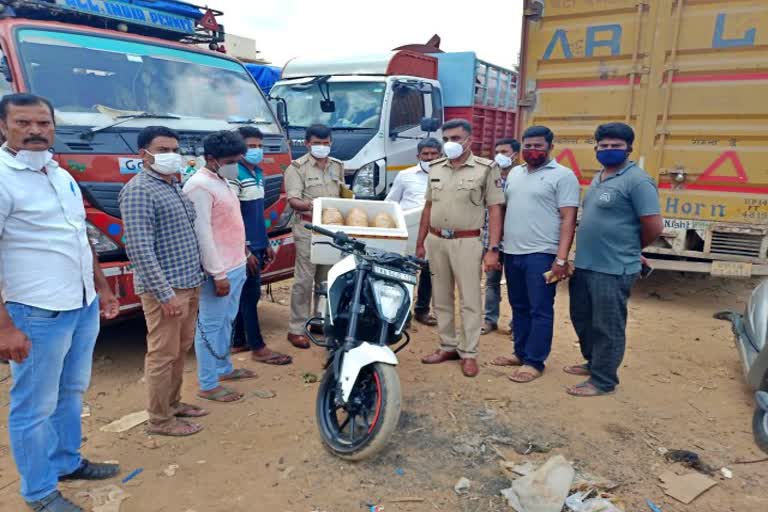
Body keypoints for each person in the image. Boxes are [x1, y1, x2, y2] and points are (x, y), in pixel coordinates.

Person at [0, 93, 120, 512]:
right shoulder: (2, 177)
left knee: (71, 390)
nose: (35, 131)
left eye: (43, 123)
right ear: (4, 127)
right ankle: (39, 492)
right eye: (24, 123)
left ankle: (66, 461)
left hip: (81, 303)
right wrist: (4, 327)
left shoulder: (59, 173)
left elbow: (79, 237)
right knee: (33, 405)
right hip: (36, 312)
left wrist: (102, 288)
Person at [120, 126, 208, 437]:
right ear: (142, 154)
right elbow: (140, 249)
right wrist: (166, 294)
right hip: (167, 290)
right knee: (162, 354)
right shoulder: (139, 190)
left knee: (179, 349)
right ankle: (160, 420)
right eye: (162, 149)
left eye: (174, 149)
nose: (171, 155)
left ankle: (173, 403)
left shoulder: (171, 185)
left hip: (188, 282)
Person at [566, 123, 663, 397]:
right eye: (604, 145)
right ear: (596, 147)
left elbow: (653, 226)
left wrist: (633, 248)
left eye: (616, 146)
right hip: (586, 264)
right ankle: (593, 362)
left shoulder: (638, 181)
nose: (609, 150)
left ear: (629, 148)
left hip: (613, 267)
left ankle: (603, 379)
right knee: (582, 318)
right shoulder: (599, 177)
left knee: (607, 325)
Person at [416, 119, 504, 378]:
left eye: (456, 138)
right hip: (436, 240)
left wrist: (493, 248)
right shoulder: (435, 168)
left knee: (470, 300)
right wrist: (420, 242)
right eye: (446, 139)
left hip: (467, 241)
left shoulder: (486, 169)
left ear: (470, 140)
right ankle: (447, 346)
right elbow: (428, 207)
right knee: (440, 297)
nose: (450, 144)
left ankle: (469, 353)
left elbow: (495, 210)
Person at [493, 126, 580, 384]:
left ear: (550, 147)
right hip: (513, 252)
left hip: (542, 254)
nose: (532, 151)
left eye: (538, 146)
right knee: (518, 306)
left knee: (540, 309)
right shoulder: (515, 173)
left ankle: (534, 361)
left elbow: (568, 219)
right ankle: (520, 352)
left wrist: (561, 259)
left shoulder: (563, 176)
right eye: (528, 146)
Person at [183, 131, 256, 403]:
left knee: (227, 319)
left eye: (238, 159)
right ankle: (208, 383)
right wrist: (218, 274)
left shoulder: (221, 180)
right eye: (231, 160)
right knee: (210, 326)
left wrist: (244, 251)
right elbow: (203, 234)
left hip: (235, 263)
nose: (236, 164)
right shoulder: (199, 186)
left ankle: (224, 369)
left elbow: (228, 223)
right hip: (219, 271)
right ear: (211, 159)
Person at [229, 126, 291, 365]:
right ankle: (258, 347)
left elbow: (257, 214)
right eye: (250, 146)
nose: (256, 150)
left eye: (259, 146)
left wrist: (265, 242)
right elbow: (232, 217)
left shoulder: (258, 173)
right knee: (249, 295)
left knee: (249, 295)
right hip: (242, 247)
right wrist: (244, 250)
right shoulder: (235, 174)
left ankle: (240, 340)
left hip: (257, 243)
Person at [284, 124, 348, 349]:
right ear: (307, 143)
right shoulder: (296, 168)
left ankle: (320, 320)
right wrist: (317, 206)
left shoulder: (337, 166)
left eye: (325, 142)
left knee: (327, 279)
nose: (322, 146)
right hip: (308, 228)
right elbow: (293, 201)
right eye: (316, 143)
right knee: (304, 279)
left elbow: (342, 193)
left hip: (332, 229)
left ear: (331, 142)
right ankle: (297, 328)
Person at [385, 137, 443, 326]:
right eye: (425, 154)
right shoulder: (405, 175)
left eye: (434, 154)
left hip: (434, 232)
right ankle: (402, 313)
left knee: (429, 272)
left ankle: (422, 310)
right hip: (409, 231)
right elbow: (391, 203)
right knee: (404, 271)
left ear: (441, 155)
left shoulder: (447, 176)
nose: (429, 158)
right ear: (418, 156)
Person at [482, 138, 520, 336]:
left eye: (504, 152)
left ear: (515, 155)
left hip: (514, 242)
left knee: (515, 285)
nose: (500, 156)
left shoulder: (520, 178)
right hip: (491, 241)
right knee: (491, 282)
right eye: (497, 151)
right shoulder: (490, 176)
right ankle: (490, 320)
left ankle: (516, 325)